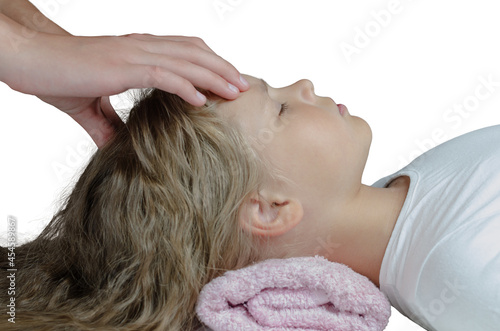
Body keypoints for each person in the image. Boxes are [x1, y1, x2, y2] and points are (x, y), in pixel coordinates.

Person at [1, 4, 499, 331]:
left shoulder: (414, 196)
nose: (303, 85)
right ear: (269, 208)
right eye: (280, 110)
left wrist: (40, 43)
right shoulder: (467, 272)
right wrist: (25, 51)